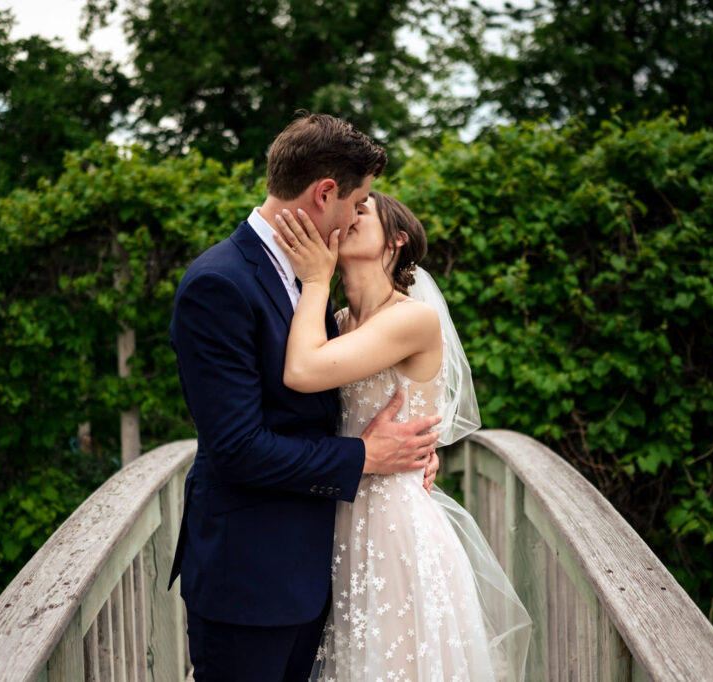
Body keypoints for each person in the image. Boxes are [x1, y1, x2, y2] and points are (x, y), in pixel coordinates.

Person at [168, 113, 444, 682]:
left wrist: (412, 449)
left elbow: (331, 403)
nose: (354, 216)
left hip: (330, 567)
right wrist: (366, 457)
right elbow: (238, 447)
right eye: (358, 201)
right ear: (325, 193)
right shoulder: (219, 283)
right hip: (249, 581)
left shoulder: (313, 276)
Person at [270, 193, 532, 681]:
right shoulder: (336, 325)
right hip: (338, 517)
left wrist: (313, 279)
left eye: (361, 211)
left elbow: (304, 371)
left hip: (395, 526)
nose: (346, 217)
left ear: (396, 240)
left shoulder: (413, 319)